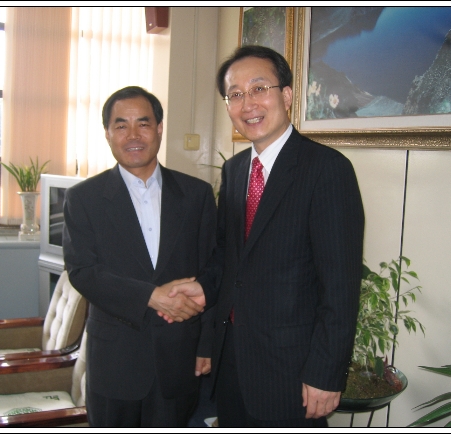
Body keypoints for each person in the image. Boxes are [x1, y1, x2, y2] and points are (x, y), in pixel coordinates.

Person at [166, 45, 365, 427]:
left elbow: (340, 288)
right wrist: (203, 289)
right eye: (235, 94)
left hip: (293, 369)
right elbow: (228, 256)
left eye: (259, 88)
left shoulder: (327, 170)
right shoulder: (236, 170)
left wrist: (326, 373)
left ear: (286, 95)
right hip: (233, 362)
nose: (248, 104)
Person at [62, 86, 217, 427]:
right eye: (121, 125)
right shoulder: (83, 199)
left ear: (159, 128)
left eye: (143, 124)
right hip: (115, 362)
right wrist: (151, 296)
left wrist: (206, 345)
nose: (133, 135)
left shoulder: (196, 195)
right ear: (107, 133)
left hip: (179, 357)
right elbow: (83, 271)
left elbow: (211, 269)